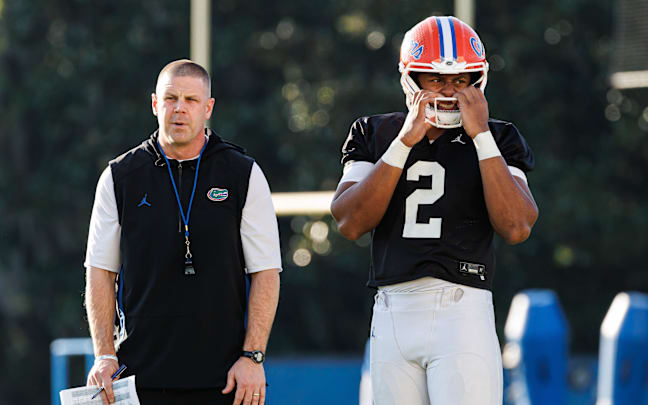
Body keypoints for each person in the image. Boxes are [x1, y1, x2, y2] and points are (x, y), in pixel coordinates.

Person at [330, 16, 538, 405]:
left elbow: (517, 225)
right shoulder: (375, 132)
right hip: (392, 309)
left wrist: (481, 138)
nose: (449, 92)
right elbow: (349, 221)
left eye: (460, 80)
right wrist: (404, 141)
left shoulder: (500, 137)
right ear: (412, 79)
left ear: (477, 80)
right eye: (436, 80)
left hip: (462, 310)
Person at [83, 59, 281, 405]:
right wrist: (104, 356)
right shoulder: (120, 176)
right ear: (155, 104)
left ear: (208, 108)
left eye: (191, 100)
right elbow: (100, 271)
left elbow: (266, 272)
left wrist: (253, 357)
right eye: (171, 98)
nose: (180, 109)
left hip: (224, 380)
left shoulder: (243, 174)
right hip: (138, 377)